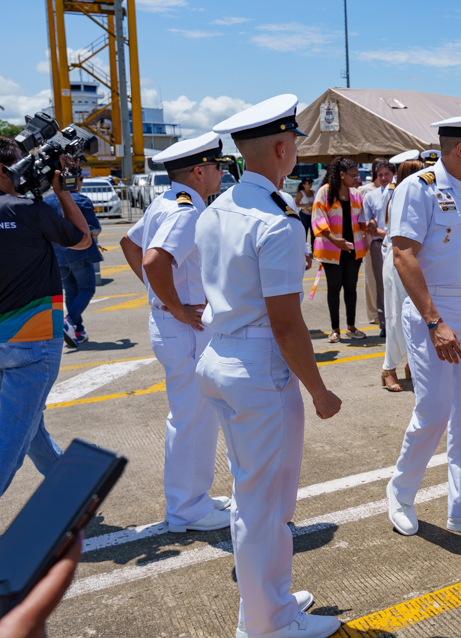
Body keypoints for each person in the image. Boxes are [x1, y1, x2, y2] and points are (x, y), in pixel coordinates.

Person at [196, 94, 343, 638]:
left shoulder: (217, 208)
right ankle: (266, 622)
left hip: (221, 357)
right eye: (294, 143)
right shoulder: (278, 222)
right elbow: (286, 325)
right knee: (267, 502)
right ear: (282, 148)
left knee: (251, 495)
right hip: (259, 367)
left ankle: (271, 596)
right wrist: (320, 390)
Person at [385, 115, 461, 538]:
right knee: (434, 410)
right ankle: (400, 493)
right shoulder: (416, 189)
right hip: (432, 309)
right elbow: (403, 255)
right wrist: (435, 321)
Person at [118, 132, 232, 534]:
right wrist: (175, 305)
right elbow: (152, 260)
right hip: (184, 330)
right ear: (199, 171)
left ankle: (192, 498)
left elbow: (129, 245)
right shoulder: (187, 210)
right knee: (193, 418)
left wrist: (159, 298)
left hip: (175, 326)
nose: (221, 173)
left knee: (193, 416)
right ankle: (187, 509)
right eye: (218, 166)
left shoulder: (168, 201)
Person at [0, 136, 90, 498]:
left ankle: (70, 488)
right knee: (11, 439)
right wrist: (62, 192)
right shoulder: (28, 211)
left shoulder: (24, 209)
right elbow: (83, 239)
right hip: (32, 339)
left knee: (28, 422)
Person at [379, 151, 422, 392]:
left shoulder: (415, 196)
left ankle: (410, 365)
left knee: (414, 317)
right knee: (396, 316)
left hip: (414, 260)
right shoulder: (398, 197)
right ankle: (389, 369)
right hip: (398, 261)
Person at [44, 164, 101, 347]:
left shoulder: (46, 201)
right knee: (87, 289)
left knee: (70, 290)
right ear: (76, 181)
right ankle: (69, 320)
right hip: (79, 253)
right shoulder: (82, 200)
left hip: (57, 254)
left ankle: (78, 330)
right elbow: (94, 229)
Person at [312, 158, 367, 342]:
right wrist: (335, 240)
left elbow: (361, 219)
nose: (357, 179)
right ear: (342, 175)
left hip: (353, 249)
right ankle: (335, 329)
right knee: (334, 288)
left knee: (351, 288)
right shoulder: (325, 192)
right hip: (331, 248)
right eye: (354, 175)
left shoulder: (356, 194)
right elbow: (319, 219)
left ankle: (351, 327)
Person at [363, 161, 396, 339]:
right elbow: (368, 220)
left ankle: (397, 322)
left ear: (393, 174)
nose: (383, 178)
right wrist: (372, 225)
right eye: (380, 175)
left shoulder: (399, 192)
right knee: (381, 284)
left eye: (386, 174)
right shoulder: (371, 196)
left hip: (396, 243)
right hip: (378, 244)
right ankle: (384, 324)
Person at [357, 162, 383, 325]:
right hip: (370, 238)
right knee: (372, 278)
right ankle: (373, 312)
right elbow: (362, 218)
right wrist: (366, 241)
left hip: (383, 240)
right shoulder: (365, 190)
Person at [295, 178, 315, 243]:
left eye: (311, 183)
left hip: (313, 215)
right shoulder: (301, 193)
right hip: (304, 215)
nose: (310, 184)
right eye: (308, 183)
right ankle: (304, 249)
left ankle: (313, 250)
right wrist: (306, 205)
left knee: (313, 232)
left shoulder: (313, 192)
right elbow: (296, 204)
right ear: (303, 185)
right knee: (304, 232)